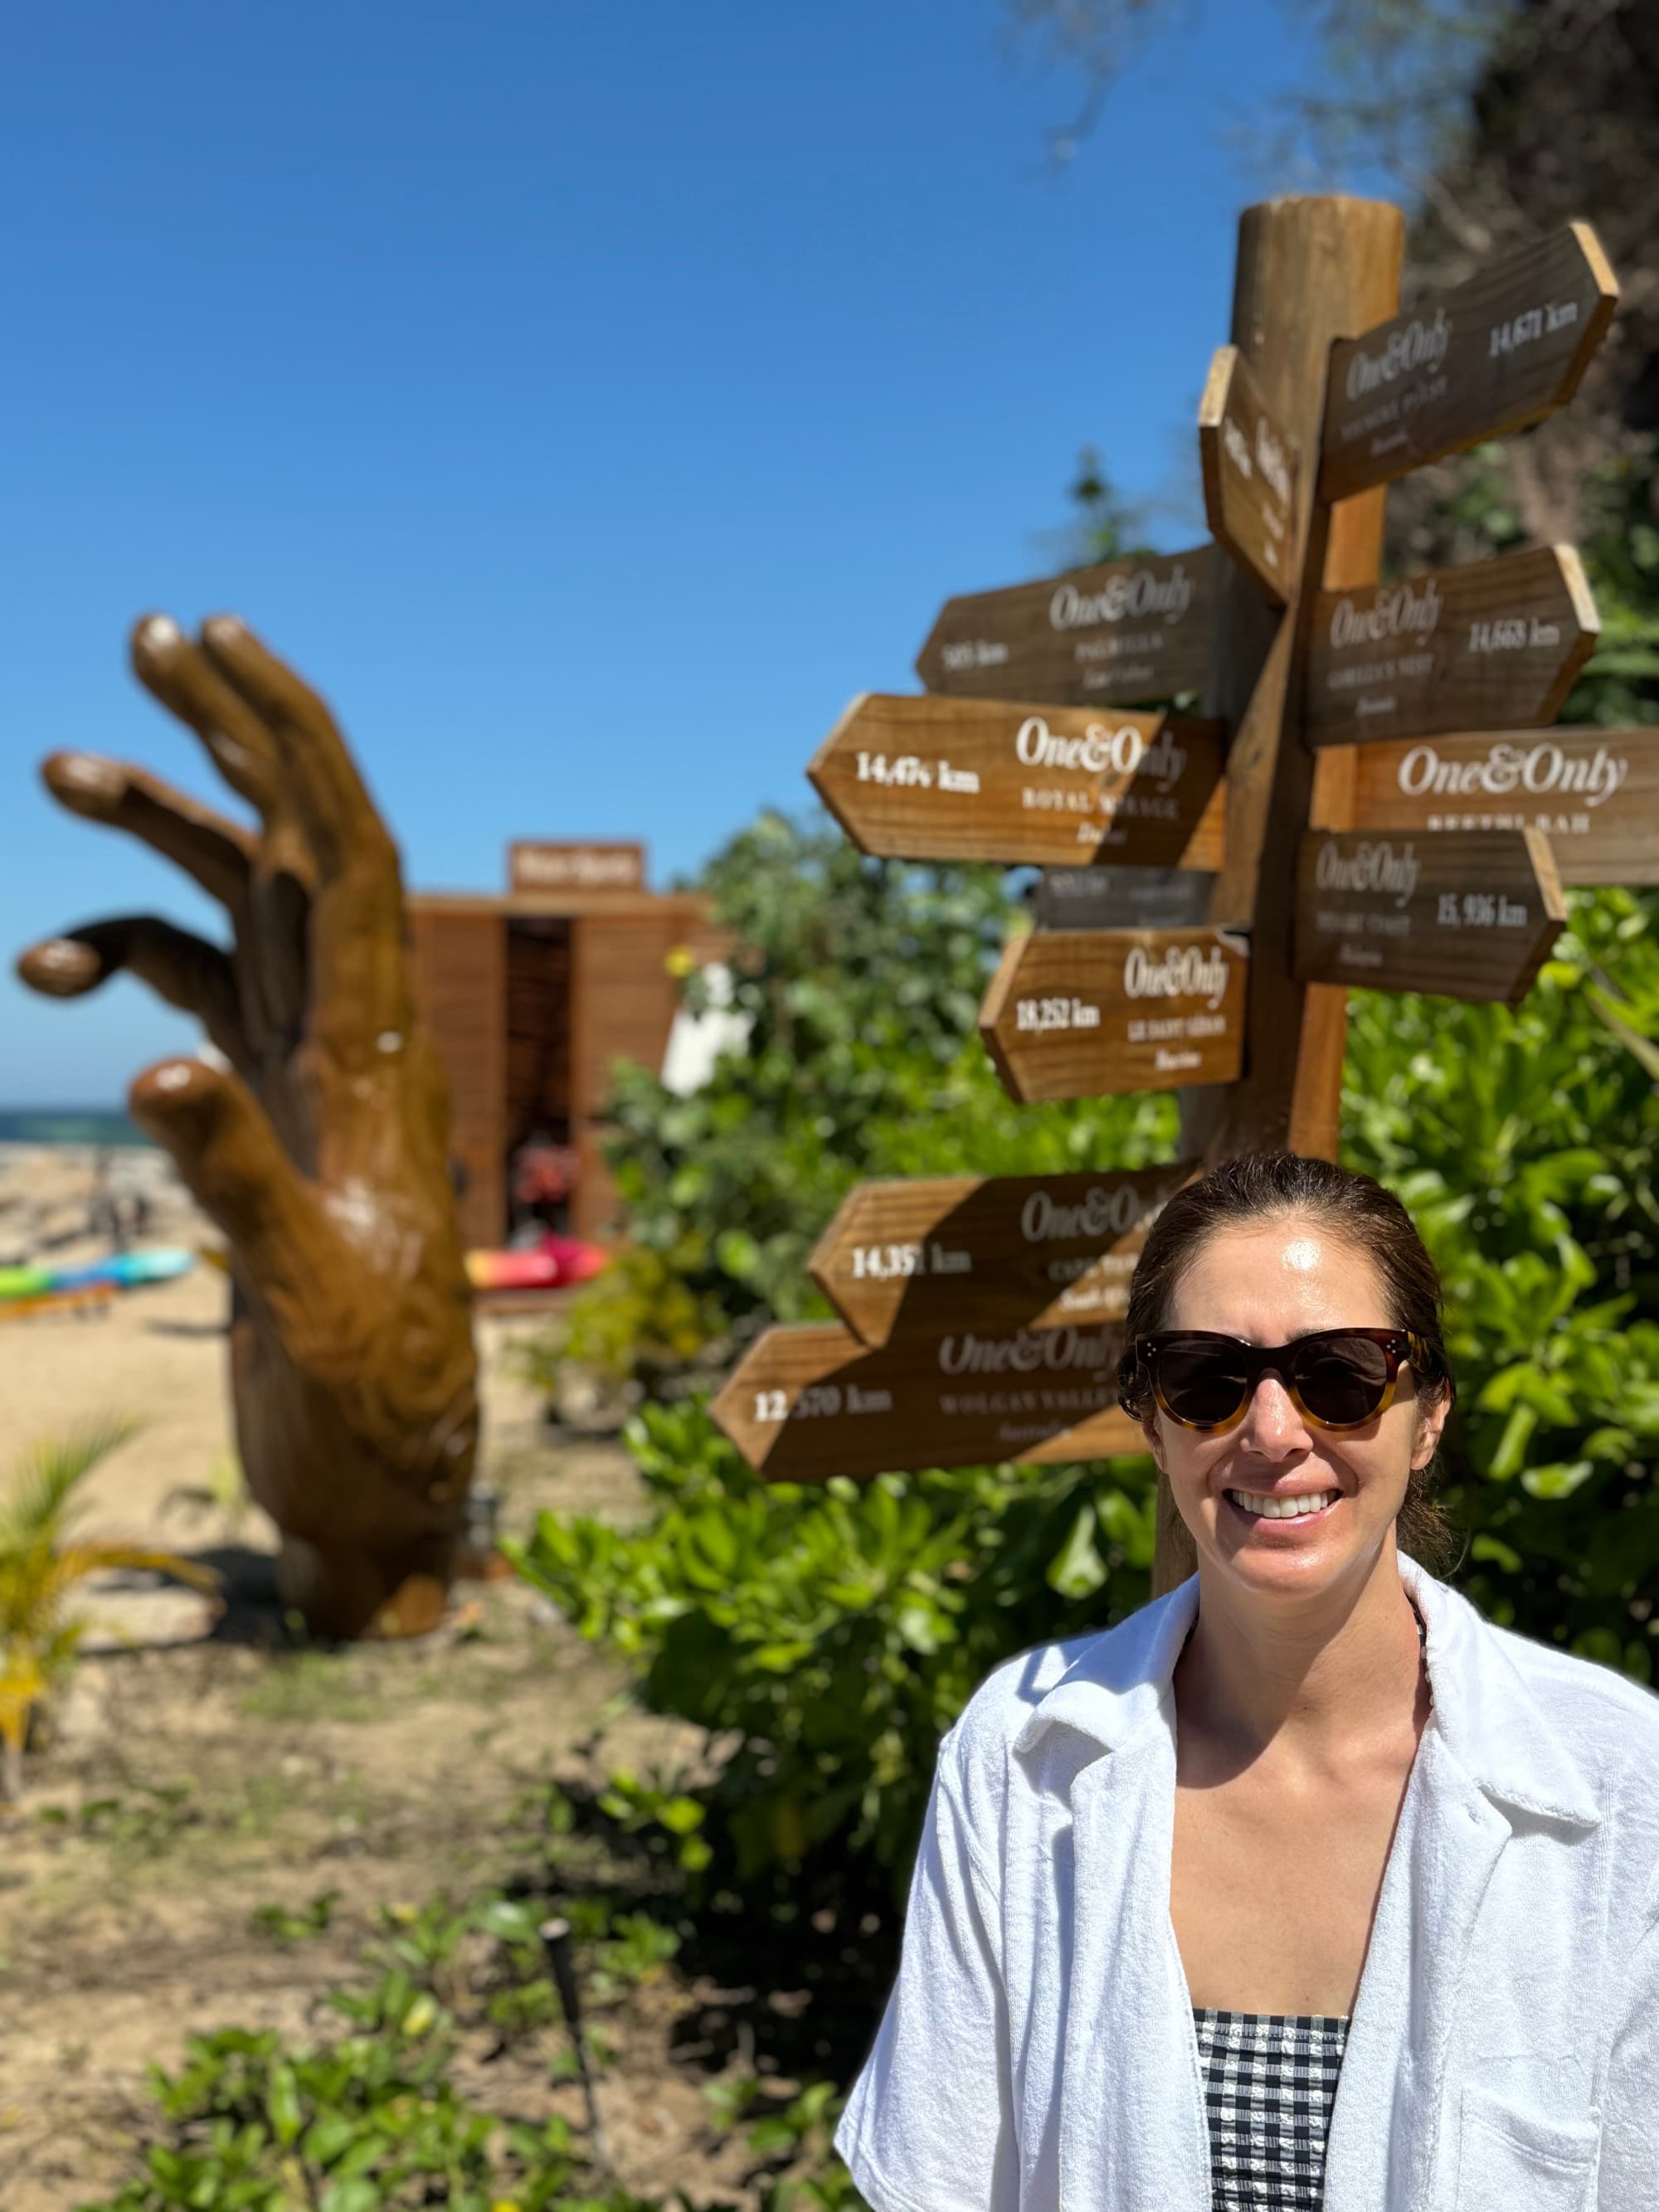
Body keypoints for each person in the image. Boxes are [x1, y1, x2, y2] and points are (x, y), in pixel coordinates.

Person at [833, 1152, 1659, 2211]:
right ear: (1152, 1423)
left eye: (1340, 1375)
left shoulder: (1621, 1789)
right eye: (1205, 1380)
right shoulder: (1019, 1759)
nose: (1272, 1432)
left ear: (1429, 1416)